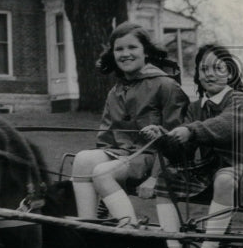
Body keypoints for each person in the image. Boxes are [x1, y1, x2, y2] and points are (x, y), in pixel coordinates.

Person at [71, 22, 190, 231]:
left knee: (101, 172)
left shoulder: (166, 85)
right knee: (82, 159)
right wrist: (108, 156)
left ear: (146, 52)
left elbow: (175, 144)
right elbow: (105, 140)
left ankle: (131, 230)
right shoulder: (115, 91)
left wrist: (155, 177)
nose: (125, 54)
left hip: (155, 159)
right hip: (125, 156)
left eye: (132, 47)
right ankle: (88, 228)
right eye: (119, 49)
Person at [163, 43, 243, 248]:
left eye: (217, 68)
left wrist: (190, 131)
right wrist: (165, 139)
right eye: (203, 69)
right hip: (212, 176)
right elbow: (185, 152)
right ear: (198, 76)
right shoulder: (194, 108)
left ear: (230, 73)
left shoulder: (241, 101)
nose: (209, 74)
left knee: (224, 177)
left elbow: (225, 126)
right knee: (166, 178)